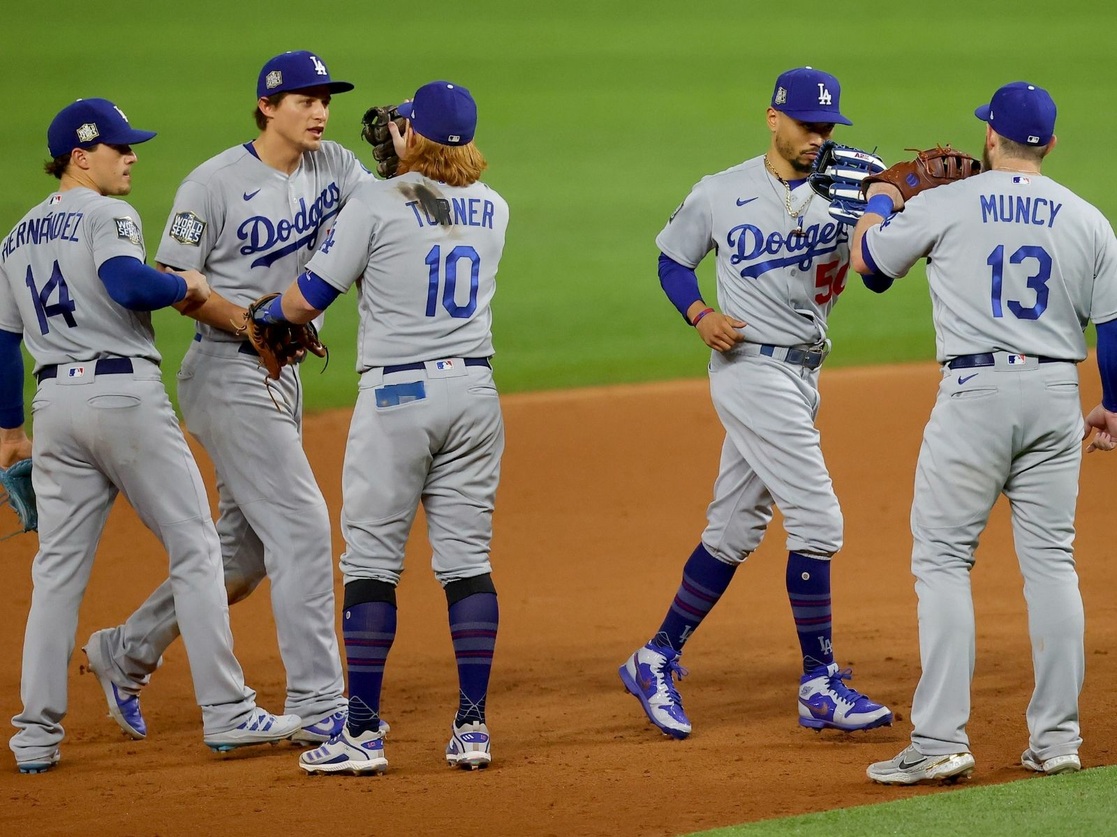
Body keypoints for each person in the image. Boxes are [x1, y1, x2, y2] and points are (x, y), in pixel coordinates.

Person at [0, 98, 301, 774]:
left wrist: (10, 431)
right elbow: (127, 284)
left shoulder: (14, 237)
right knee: (197, 547)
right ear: (81, 155)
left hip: (55, 403)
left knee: (55, 574)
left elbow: (2, 342)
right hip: (122, 397)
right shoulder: (108, 213)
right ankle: (227, 712)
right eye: (118, 147)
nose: (131, 155)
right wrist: (182, 281)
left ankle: (35, 736)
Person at [82, 50, 371, 746]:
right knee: (301, 525)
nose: (319, 111)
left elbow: (382, 213)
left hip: (282, 373)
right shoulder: (211, 184)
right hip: (225, 370)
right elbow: (169, 279)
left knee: (241, 559)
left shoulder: (335, 166)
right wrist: (248, 321)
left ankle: (125, 650)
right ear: (267, 105)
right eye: (303, 99)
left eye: (324, 98)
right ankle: (322, 700)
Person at [618, 67, 893, 740]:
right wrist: (697, 312)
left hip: (802, 376)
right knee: (818, 520)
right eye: (807, 126)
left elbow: (879, 275)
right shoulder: (720, 191)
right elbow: (671, 260)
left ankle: (653, 657)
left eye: (828, 128)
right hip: (747, 368)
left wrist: (886, 204)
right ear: (773, 119)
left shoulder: (853, 188)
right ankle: (818, 683)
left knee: (734, 527)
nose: (818, 138)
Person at [854, 82, 1117, 785]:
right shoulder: (1089, 219)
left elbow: (869, 266)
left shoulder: (945, 201)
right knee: (1051, 565)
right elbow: (1113, 333)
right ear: (1050, 144)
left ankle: (939, 738)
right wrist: (1111, 403)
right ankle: (1056, 739)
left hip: (974, 394)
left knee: (942, 560)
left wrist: (882, 196)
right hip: (1058, 393)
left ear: (988, 138)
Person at [251, 80, 507, 775]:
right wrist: (409, 166)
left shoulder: (372, 201)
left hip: (399, 398)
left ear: (410, 135)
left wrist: (264, 311)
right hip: (475, 395)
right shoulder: (494, 207)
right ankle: (473, 727)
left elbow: (305, 301)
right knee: (465, 562)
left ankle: (360, 732)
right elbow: (436, 202)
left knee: (369, 563)